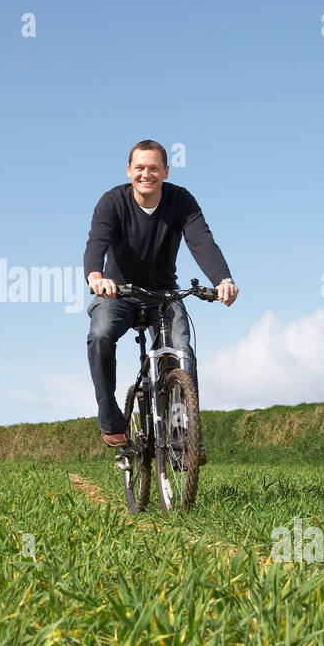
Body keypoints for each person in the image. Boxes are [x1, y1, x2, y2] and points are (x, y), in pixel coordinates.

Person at [84, 140, 239, 455]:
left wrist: (223, 279)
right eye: (139, 168)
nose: (146, 175)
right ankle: (110, 417)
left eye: (154, 168)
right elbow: (96, 241)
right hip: (118, 293)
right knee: (99, 335)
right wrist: (96, 276)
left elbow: (201, 240)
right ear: (129, 171)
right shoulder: (112, 202)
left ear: (165, 171)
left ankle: (183, 440)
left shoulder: (181, 201)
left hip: (164, 294)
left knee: (181, 352)